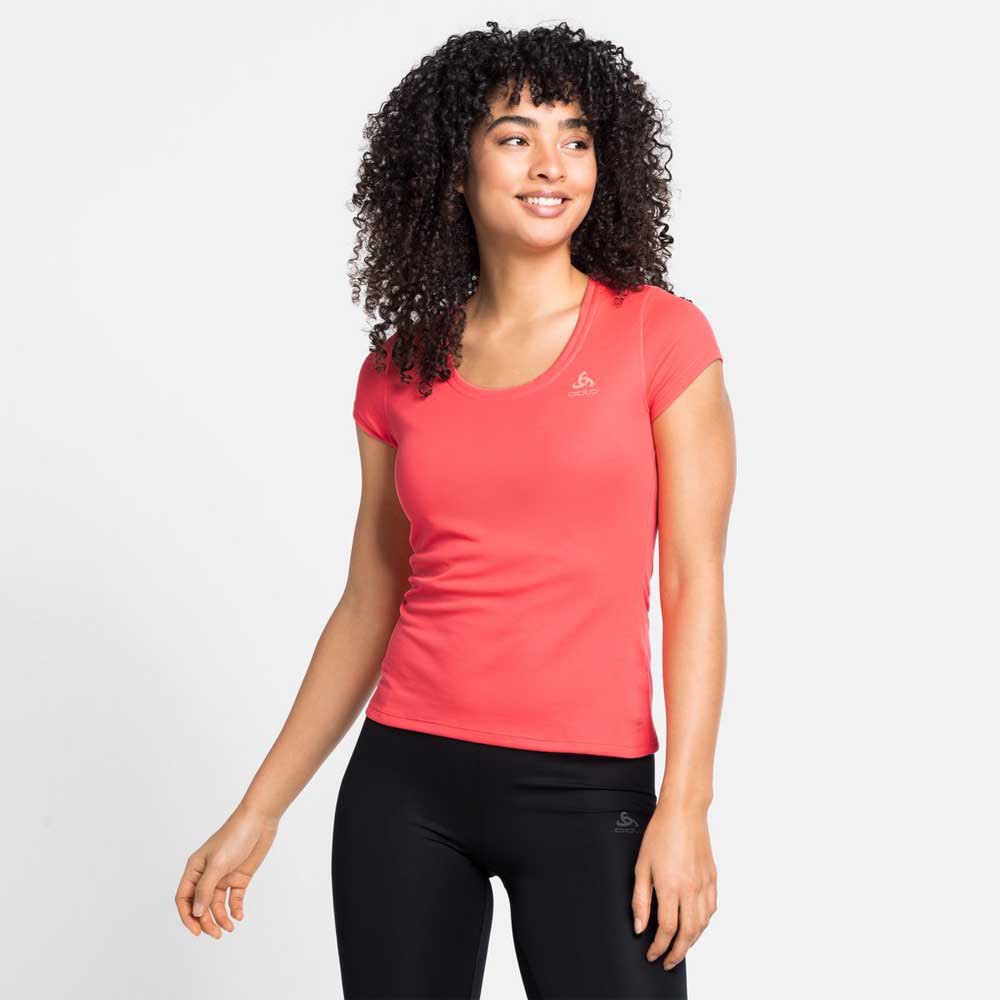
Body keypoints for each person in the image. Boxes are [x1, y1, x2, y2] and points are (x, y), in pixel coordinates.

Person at [175, 20, 735, 1000]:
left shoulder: (661, 337)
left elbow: (694, 582)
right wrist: (259, 810)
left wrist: (684, 804)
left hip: (588, 787)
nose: (550, 163)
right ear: (456, 166)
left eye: (575, 137)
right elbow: (370, 598)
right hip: (406, 787)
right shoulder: (398, 370)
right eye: (515, 136)